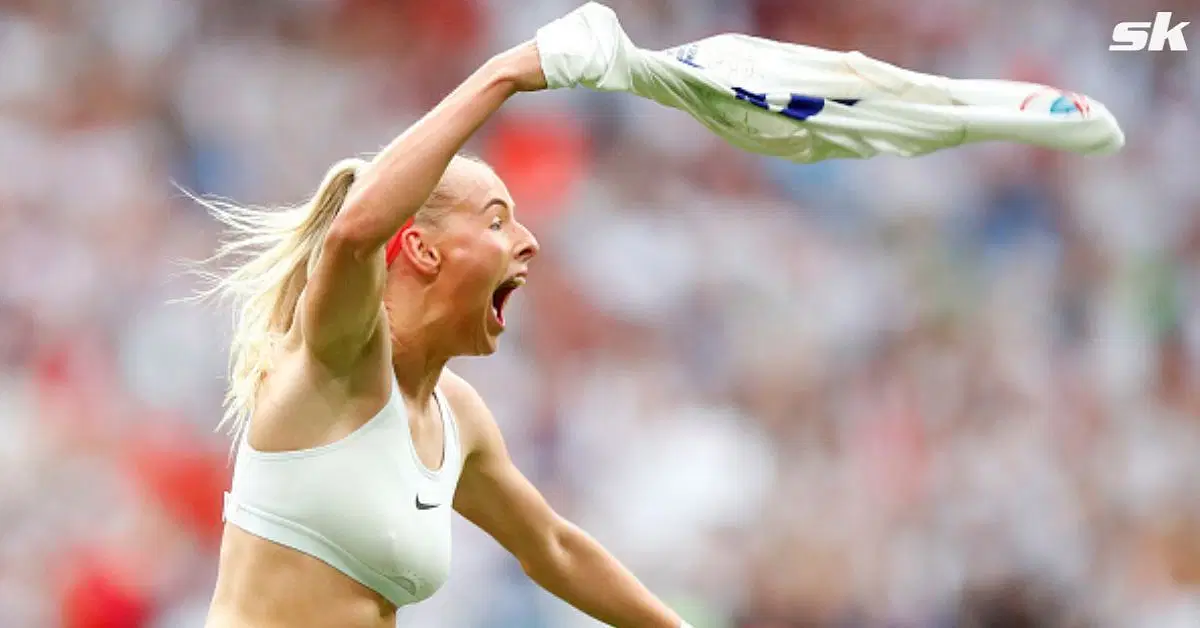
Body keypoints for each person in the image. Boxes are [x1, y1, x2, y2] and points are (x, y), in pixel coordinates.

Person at [198, 38, 688, 628]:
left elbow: (552, 548)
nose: (529, 241)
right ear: (423, 248)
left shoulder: (458, 416)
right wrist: (505, 74)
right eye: (497, 220)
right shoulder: (342, 354)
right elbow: (354, 236)